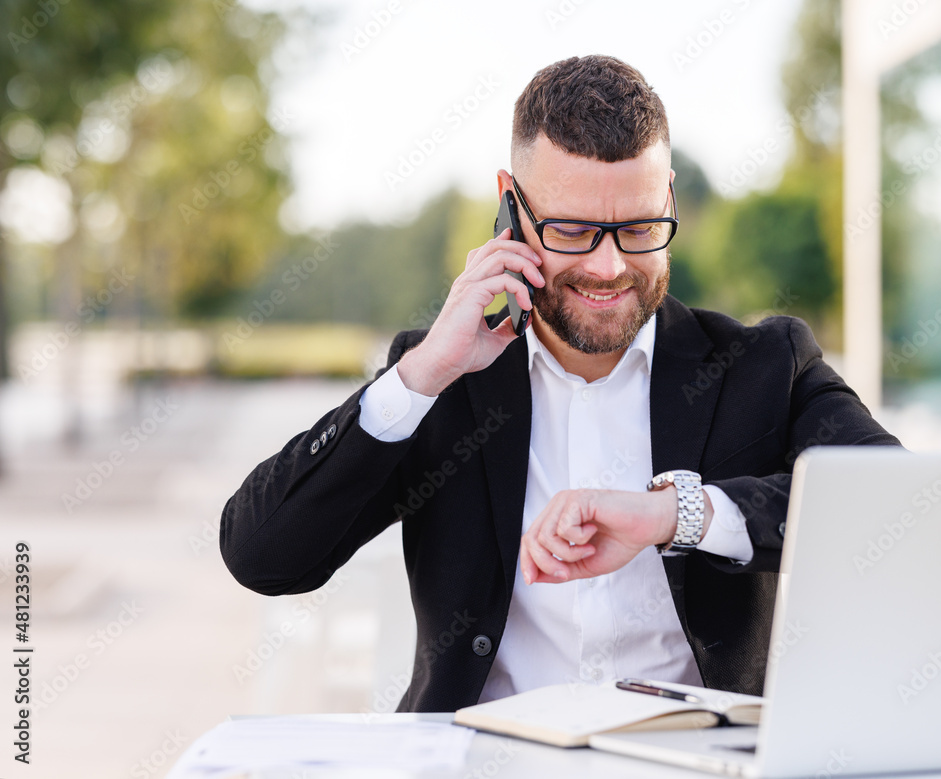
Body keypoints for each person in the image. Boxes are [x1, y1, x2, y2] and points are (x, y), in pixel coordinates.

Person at [220, 55, 900, 712]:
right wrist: (422, 373)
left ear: (667, 201)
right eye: (573, 230)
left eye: (637, 228)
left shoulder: (765, 364)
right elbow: (262, 555)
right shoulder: (441, 382)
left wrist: (676, 513)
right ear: (510, 208)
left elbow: (894, 503)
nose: (609, 267)